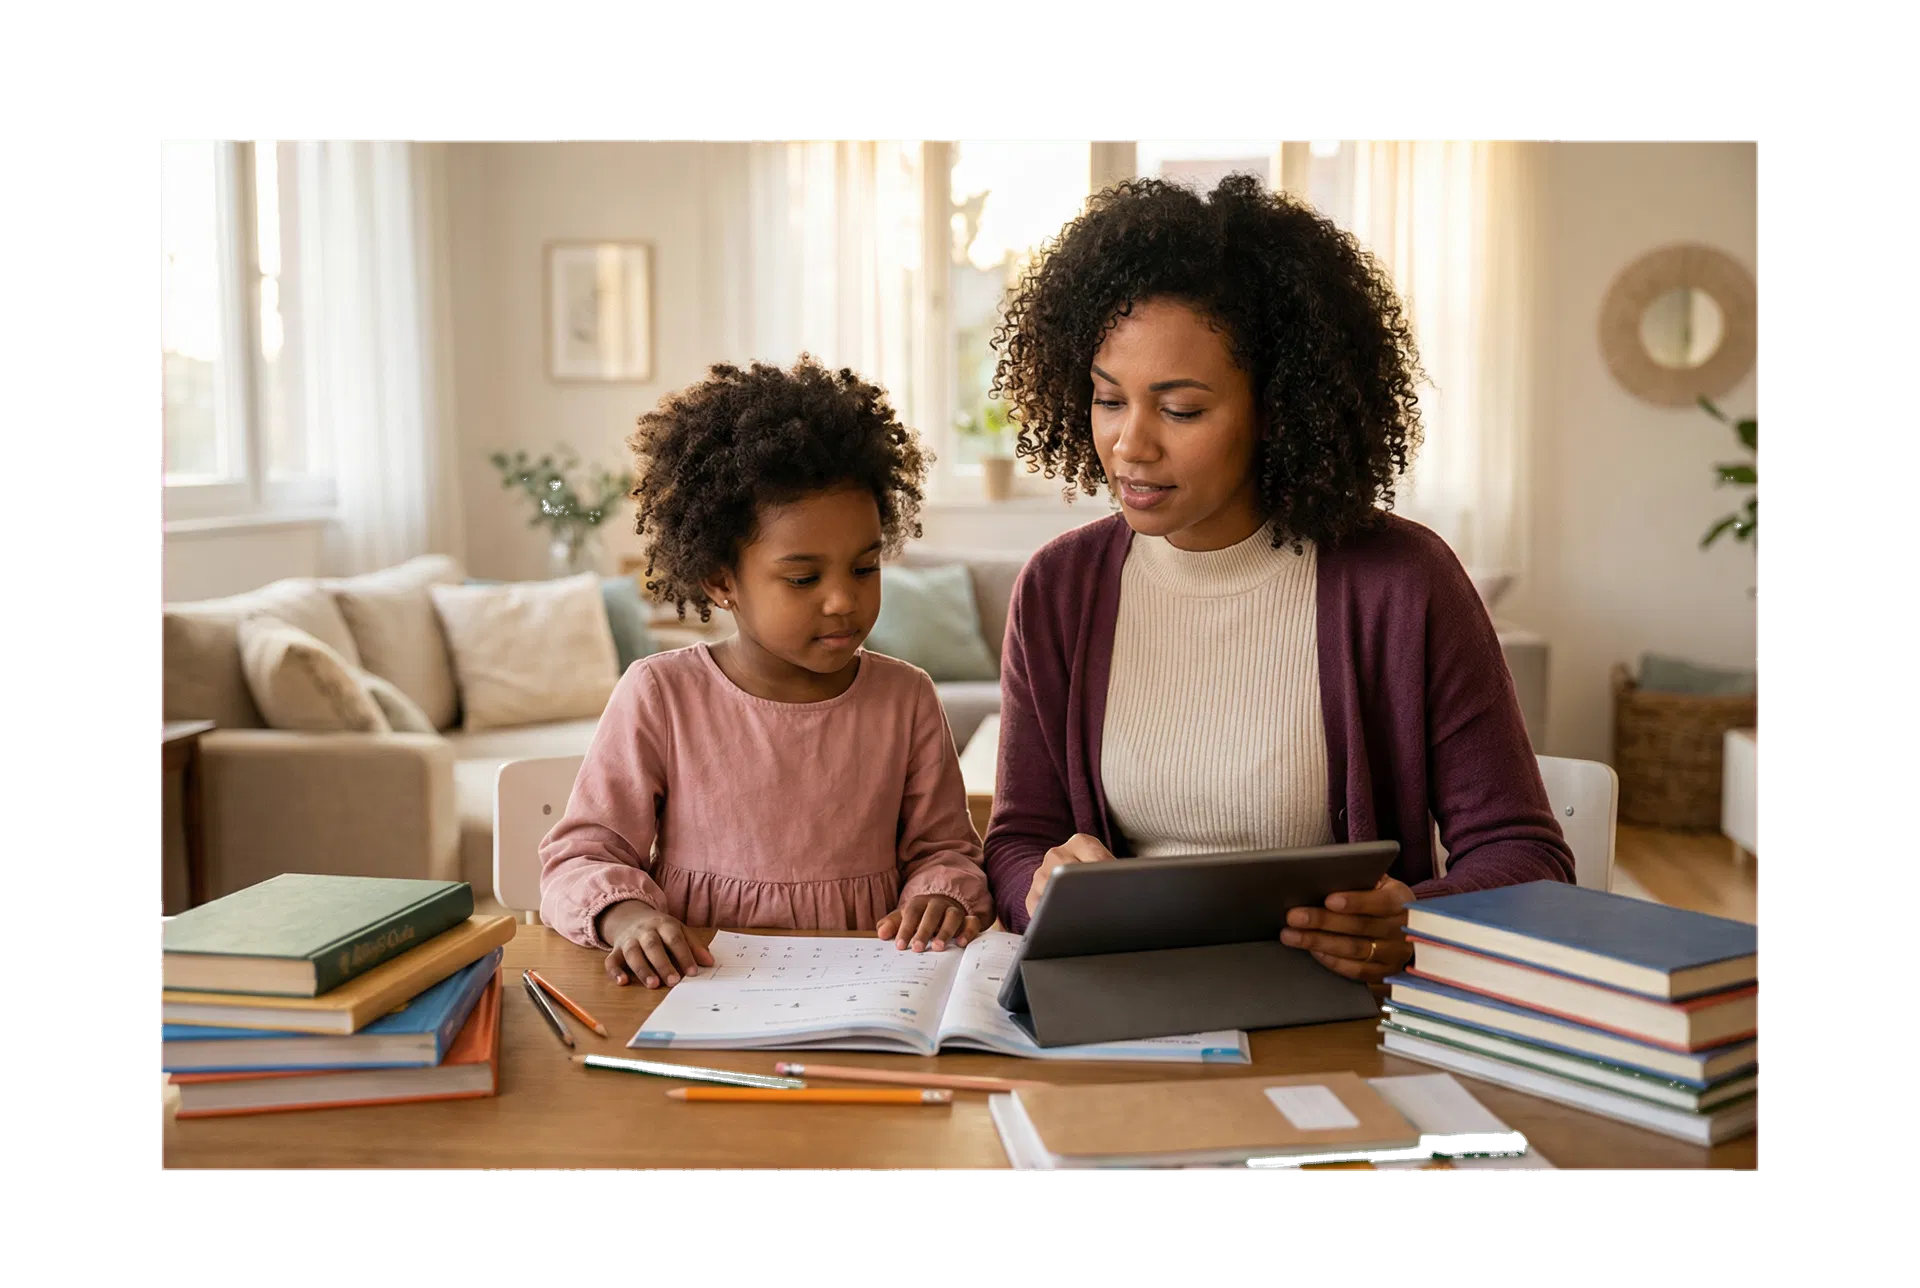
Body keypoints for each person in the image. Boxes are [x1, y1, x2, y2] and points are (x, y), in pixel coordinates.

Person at [983, 175, 1574, 994]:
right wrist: (1041, 886)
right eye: (1109, 400)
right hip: (1129, 1012)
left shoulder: (1404, 583)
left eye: (1181, 410)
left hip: (1343, 1016)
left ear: (1278, 409)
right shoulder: (1058, 590)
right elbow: (1017, 840)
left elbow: (1527, 856)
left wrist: (1415, 922)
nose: (1129, 446)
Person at [539, 356, 993, 989]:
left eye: (864, 568)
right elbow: (582, 857)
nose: (843, 600)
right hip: (701, 986)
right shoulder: (661, 694)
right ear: (721, 580)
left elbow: (945, 850)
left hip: (865, 986)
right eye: (803, 578)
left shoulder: (907, 697)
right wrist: (628, 917)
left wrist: (940, 893)